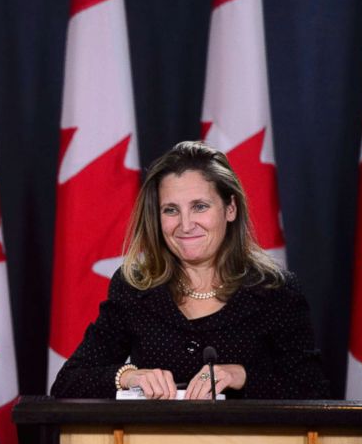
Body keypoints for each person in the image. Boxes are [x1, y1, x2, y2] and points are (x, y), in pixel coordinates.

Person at [51, 140, 328, 400]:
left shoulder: (275, 290)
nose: (185, 225)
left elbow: (314, 390)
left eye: (199, 207)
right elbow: (68, 383)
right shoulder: (135, 287)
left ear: (230, 209)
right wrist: (128, 376)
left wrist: (241, 376)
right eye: (171, 210)